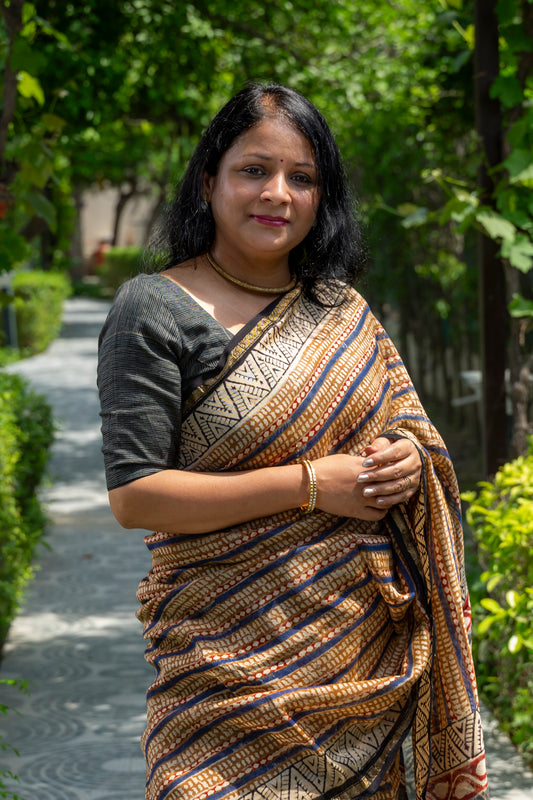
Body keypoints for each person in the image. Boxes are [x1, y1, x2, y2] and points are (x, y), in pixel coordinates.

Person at [97, 84, 489, 800]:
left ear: (322, 197)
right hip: (218, 686)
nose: (276, 193)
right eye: (254, 170)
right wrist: (309, 483)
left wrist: (407, 458)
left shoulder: (339, 309)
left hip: (356, 678)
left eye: (301, 178)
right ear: (210, 178)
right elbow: (135, 496)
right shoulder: (152, 308)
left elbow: (404, 429)